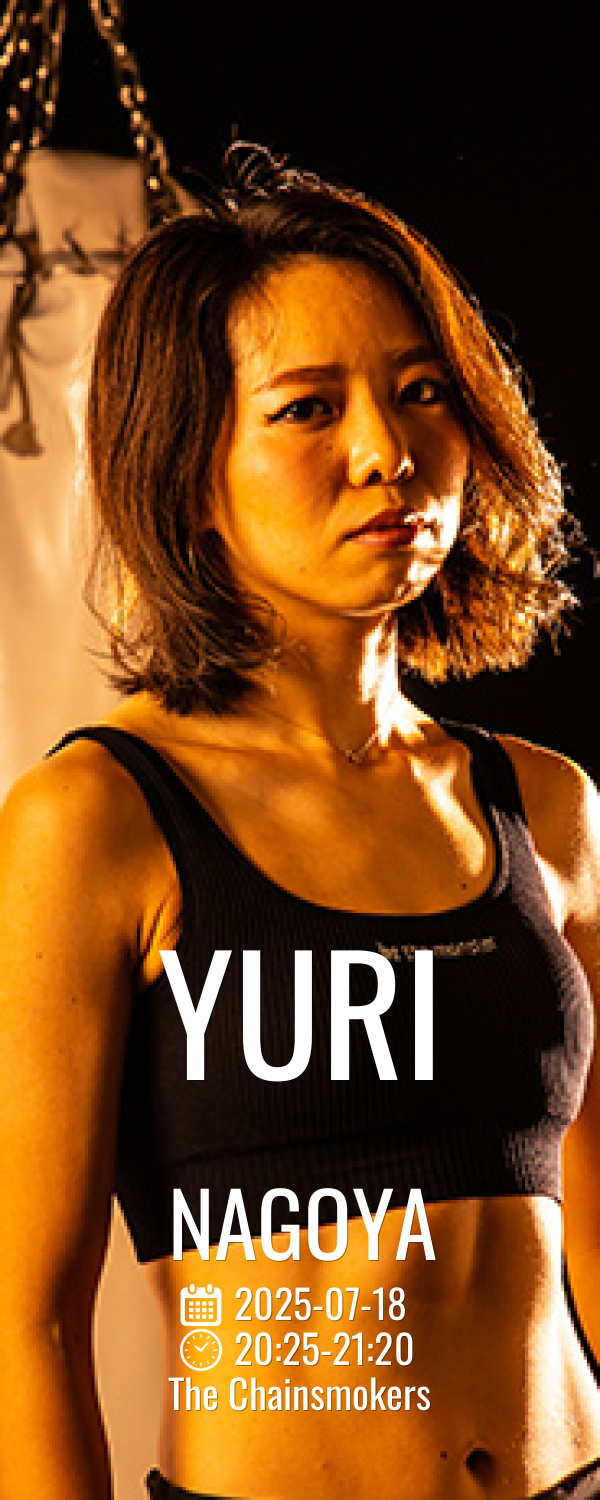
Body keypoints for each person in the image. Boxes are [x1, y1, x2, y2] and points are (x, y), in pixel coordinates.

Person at [0, 141, 599, 1500]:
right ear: (188, 463)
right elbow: (25, 1322)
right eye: (306, 410)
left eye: (421, 391)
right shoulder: (98, 818)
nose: (388, 454)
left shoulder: (545, 808)